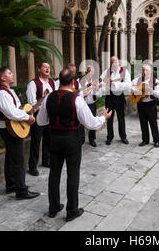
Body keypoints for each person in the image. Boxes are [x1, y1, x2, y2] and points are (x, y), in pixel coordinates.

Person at [36, 68, 113, 221]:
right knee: (73, 174)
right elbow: (91, 123)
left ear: (59, 80)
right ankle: (71, 210)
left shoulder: (49, 98)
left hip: (54, 139)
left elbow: (40, 121)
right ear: (73, 82)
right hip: (71, 139)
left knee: (54, 173)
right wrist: (103, 118)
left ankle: (54, 206)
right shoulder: (76, 99)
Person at [0, 67, 39, 200]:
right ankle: (21, 190)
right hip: (9, 130)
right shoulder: (2, 93)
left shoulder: (8, 91)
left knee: (11, 157)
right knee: (18, 159)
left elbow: (15, 108)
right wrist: (27, 117)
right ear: (3, 78)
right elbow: (11, 113)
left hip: (10, 128)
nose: (12, 74)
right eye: (9, 73)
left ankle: (11, 184)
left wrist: (30, 110)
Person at [26, 62, 56, 176]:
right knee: (36, 142)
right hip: (38, 117)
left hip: (49, 117)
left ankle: (46, 161)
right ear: (39, 69)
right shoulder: (33, 84)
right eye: (44, 67)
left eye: (49, 67)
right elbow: (31, 103)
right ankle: (32, 166)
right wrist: (40, 106)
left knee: (48, 139)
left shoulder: (52, 83)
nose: (47, 68)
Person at [100, 56, 131, 145]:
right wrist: (105, 84)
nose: (114, 63)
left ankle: (123, 137)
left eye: (115, 61)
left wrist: (116, 85)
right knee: (109, 118)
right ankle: (110, 137)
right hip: (109, 97)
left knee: (121, 117)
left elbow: (128, 85)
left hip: (119, 96)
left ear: (118, 62)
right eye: (112, 62)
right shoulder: (107, 72)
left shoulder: (124, 72)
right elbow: (101, 81)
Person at [131, 64, 159, 147]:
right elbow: (130, 86)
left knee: (153, 123)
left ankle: (156, 140)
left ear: (150, 71)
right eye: (143, 70)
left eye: (146, 70)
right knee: (143, 123)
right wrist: (138, 91)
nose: (144, 72)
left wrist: (151, 91)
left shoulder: (155, 81)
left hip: (151, 104)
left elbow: (158, 94)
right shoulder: (137, 80)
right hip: (141, 104)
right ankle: (145, 140)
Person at [79, 66, 102, 147]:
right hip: (83, 104)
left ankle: (92, 139)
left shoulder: (95, 82)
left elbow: (99, 95)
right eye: (89, 71)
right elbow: (78, 93)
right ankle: (81, 139)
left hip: (92, 104)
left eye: (92, 72)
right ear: (86, 73)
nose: (91, 73)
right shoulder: (81, 81)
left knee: (92, 120)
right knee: (81, 121)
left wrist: (97, 89)